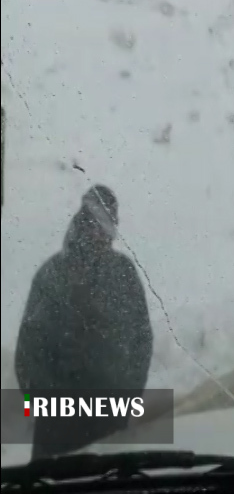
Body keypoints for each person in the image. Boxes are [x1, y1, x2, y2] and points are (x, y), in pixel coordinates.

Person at [14, 185, 153, 460]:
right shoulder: (53, 274)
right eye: (95, 223)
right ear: (82, 222)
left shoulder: (123, 272)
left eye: (107, 225)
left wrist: (124, 400)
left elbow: (141, 341)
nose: (100, 233)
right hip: (56, 429)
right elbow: (28, 354)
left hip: (109, 425)